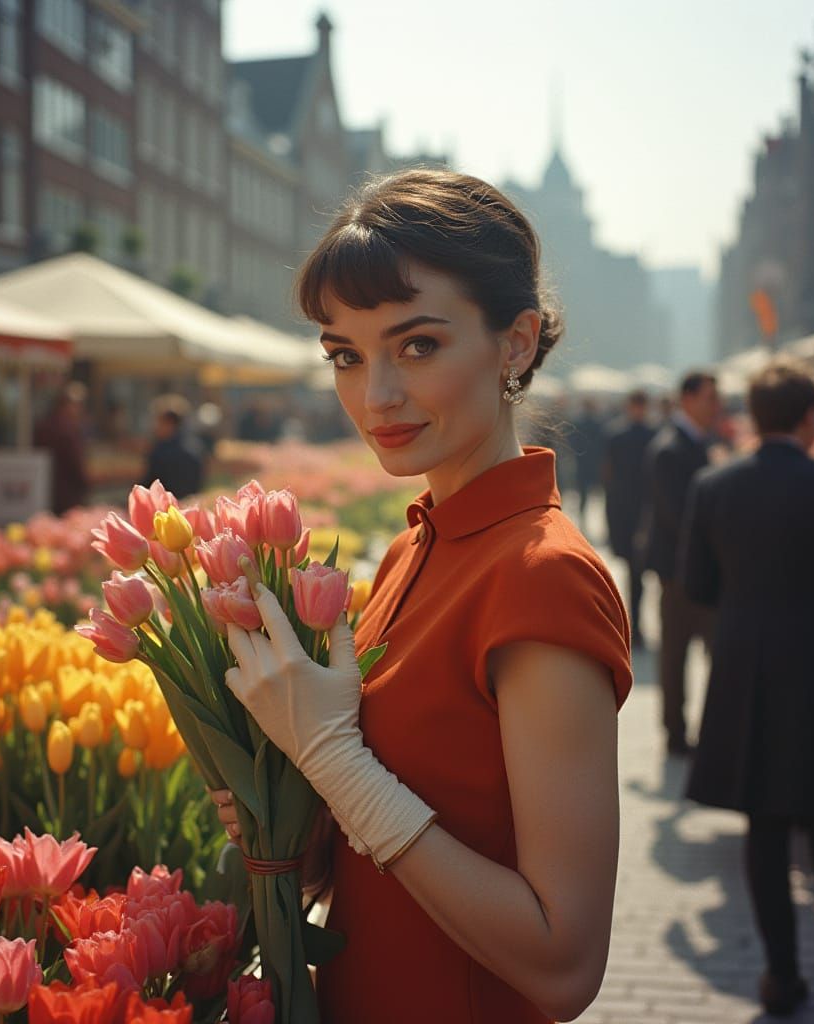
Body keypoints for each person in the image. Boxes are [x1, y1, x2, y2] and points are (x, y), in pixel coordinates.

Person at [211, 170, 633, 1024]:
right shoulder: (413, 546)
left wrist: (335, 763)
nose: (376, 397)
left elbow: (563, 964)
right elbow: (388, 856)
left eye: (418, 345)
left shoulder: (540, 576)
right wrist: (278, 806)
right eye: (346, 355)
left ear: (515, 344)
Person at [680, 358, 814, 1016]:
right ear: (811, 417)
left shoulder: (713, 486)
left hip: (747, 665)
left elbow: (696, 585)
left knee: (764, 820)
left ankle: (781, 974)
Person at [637, 370, 720, 756]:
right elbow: (677, 514)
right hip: (678, 571)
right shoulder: (671, 447)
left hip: (696, 567)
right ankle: (676, 732)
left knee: (704, 652)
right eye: (709, 398)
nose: (715, 407)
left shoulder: (697, 442)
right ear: (687, 399)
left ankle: (706, 730)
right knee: (677, 655)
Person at [603, 389, 655, 646]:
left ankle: (631, 624)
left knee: (634, 573)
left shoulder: (620, 435)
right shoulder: (647, 435)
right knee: (635, 574)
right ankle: (632, 624)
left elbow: (608, 475)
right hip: (633, 510)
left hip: (629, 509)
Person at [34, 382, 89, 515]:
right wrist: (84, 484)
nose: (79, 409)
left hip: (43, 489)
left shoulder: (44, 425)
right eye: (77, 405)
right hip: (66, 492)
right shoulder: (67, 429)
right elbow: (75, 462)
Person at [143, 395, 206, 499]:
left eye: (158, 422)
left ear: (169, 423)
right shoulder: (196, 446)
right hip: (189, 504)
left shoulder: (160, 451)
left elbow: (149, 485)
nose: (155, 426)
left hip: (166, 509)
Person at [571, 397, 605, 529]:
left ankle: (582, 519)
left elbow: (573, 442)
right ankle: (590, 520)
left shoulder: (578, 423)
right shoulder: (598, 423)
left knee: (583, 493)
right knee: (596, 494)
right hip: (593, 463)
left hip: (582, 462)